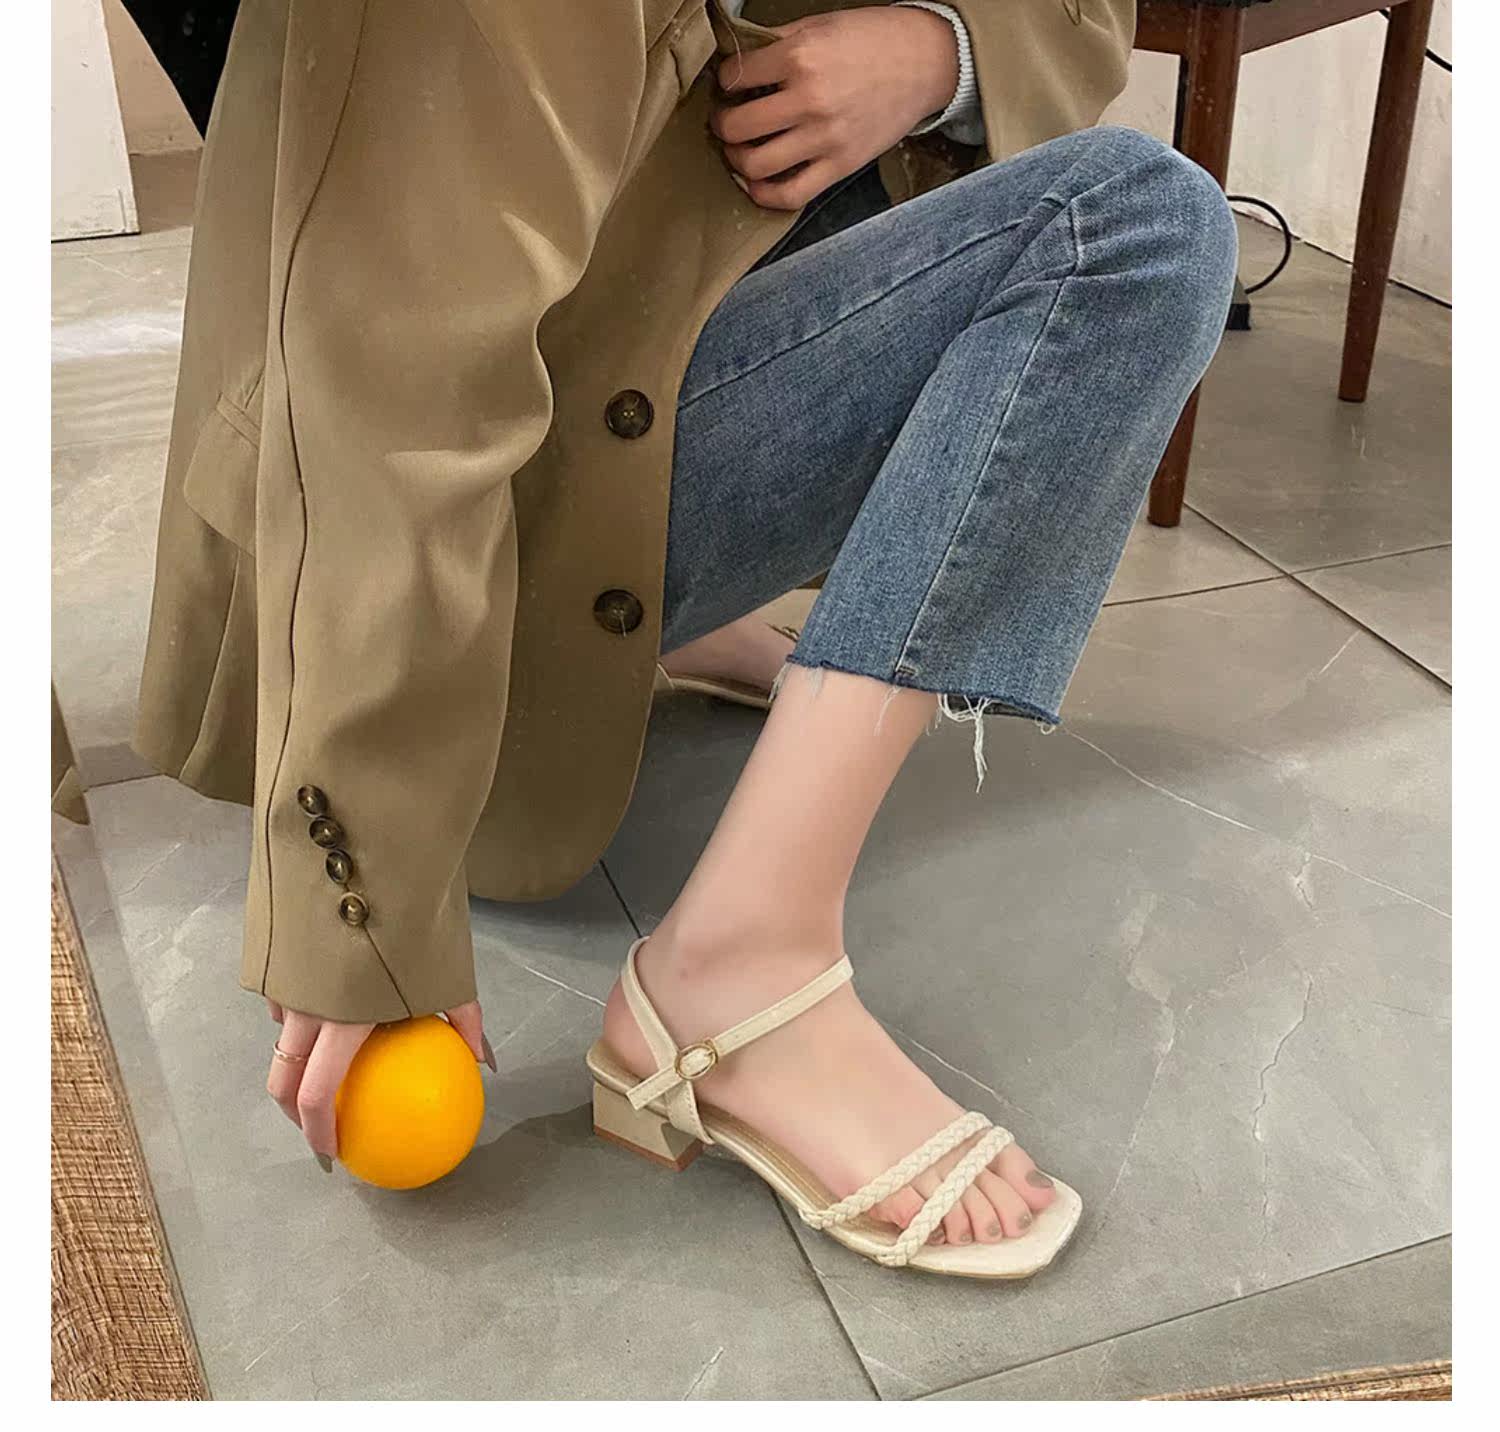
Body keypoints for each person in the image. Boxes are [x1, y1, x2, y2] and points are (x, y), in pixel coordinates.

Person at [134, 0, 1235, 1277]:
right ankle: (736, 965)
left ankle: (669, 626)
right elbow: (390, 386)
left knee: (1065, 205)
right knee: (1128, 227)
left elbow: (1085, 14)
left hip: (633, 356)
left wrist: (947, 51)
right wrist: (360, 881)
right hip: (419, 539)